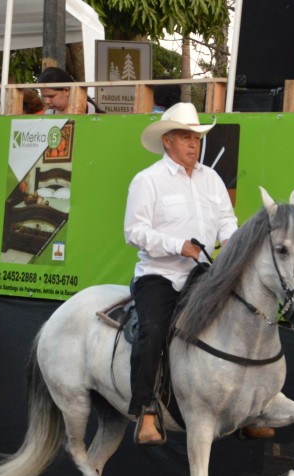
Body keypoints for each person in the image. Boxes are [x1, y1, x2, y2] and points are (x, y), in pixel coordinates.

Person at [124, 102, 238, 445]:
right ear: (167, 141)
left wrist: (233, 245)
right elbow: (134, 232)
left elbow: (227, 222)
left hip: (203, 274)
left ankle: (247, 406)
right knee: (154, 329)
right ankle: (145, 410)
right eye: (186, 137)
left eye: (197, 138)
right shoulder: (148, 181)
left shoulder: (212, 179)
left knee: (241, 318)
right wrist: (178, 245)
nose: (194, 144)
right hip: (159, 274)